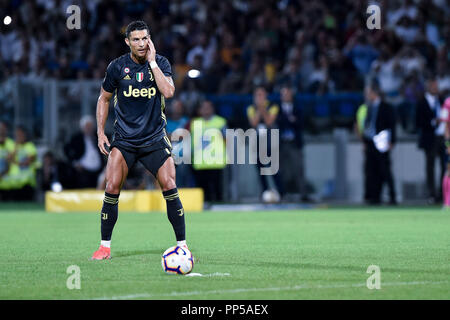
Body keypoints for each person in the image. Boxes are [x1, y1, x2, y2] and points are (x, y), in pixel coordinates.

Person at [91, 21, 186, 260]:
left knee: (170, 186)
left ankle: (182, 246)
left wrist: (153, 62)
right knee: (111, 187)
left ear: (150, 39)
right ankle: (104, 247)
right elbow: (103, 99)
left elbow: (169, 92)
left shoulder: (161, 63)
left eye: (145, 39)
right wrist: (101, 133)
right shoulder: (117, 67)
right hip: (124, 140)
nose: (142, 44)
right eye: (136, 40)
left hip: (154, 138)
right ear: (128, 42)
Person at [362, 80, 397, 205]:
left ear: (374, 92)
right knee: (372, 171)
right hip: (371, 142)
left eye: (368, 92)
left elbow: (392, 125)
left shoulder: (386, 107)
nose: (367, 95)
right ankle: (374, 197)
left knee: (385, 170)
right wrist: (365, 142)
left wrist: (392, 141)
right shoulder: (369, 107)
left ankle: (392, 196)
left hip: (382, 142)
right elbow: (367, 125)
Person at [247, 85, 283, 200]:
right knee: (260, 170)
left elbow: (268, 121)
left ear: (266, 95)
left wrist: (262, 108)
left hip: (270, 142)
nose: (259, 97)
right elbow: (254, 123)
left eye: (261, 95)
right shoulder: (251, 108)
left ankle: (281, 193)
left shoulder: (273, 106)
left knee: (274, 169)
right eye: (257, 95)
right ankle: (264, 193)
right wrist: (259, 109)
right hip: (257, 143)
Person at [189, 99, 227, 202]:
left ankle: (220, 209)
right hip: (200, 163)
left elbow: (226, 139)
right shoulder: (194, 123)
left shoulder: (220, 122)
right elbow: (192, 141)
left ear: (212, 109)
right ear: (200, 110)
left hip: (216, 162)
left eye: (208, 107)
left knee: (217, 189)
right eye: (203, 108)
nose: (206, 110)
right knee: (202, 191)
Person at [416, 76, 446, 204]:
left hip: (443, 137)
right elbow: (418, 122)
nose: (436, 88)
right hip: (430, 138)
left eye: (436, 86)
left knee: (445, 166)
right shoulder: (421, 103)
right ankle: (432, 194)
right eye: (433, 86)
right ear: (428, 87)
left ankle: (443, 193)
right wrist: (434, 121)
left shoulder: (442, 100)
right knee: (430, 166)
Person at [277, 85, 308, 201]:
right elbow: (278, 123)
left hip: (294, 143)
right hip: (282, 143)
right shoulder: (277, 109)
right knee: (282, 170)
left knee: (299, 169)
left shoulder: (298, 108)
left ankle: (303, 194)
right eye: (284, 94)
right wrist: (290, 120)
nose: (286, 96)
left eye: (288, 94)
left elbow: (301, 123)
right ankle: (283, 194)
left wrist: (291, 121)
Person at [64, 115, 104, 189]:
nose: (89, 129)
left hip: (98, 170)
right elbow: (66, 149)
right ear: (82, 128)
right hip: (83, 170)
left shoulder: (98, 137)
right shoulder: (76, 138)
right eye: (87, 126)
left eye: (90, 126)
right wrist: (75, 163)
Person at [9, 125, 38, 201]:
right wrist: (15, 148)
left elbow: (27, 162)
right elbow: (9, 159)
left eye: (20, 134)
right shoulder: (14, 146)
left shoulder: (30, 146)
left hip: (27, 183)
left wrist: (15, 162)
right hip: (15, 183)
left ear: (25, 134)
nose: (19, 136)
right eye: (17, 135)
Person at [0, 121, 15, 201]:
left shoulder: (11, 144)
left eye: (2, 129)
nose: (1, 131)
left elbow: (13, 161)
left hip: (8, 184)